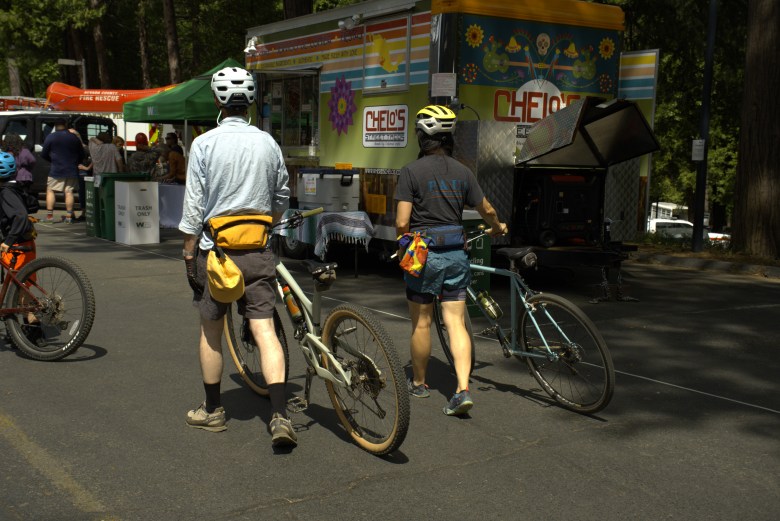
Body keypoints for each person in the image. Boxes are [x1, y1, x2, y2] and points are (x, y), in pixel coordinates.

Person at [178, 66, 293, 447]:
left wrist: (189, 250)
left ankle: (212, 412)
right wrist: (266, 224)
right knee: (265, 330)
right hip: (259, 250)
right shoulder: (268, 143)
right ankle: (279, 416)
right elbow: (281, 197)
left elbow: (195, 205)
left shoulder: (204, 144)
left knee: (211, 331)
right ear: (251, 102)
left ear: (217, 101)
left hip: (217, 255)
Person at [394, 105, 507, 417]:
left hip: (423, 253)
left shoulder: (410, 172)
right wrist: (497, 228)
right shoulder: (463, 172)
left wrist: (404, 247)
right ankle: (461, 389)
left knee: (422, 322)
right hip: (457, 253)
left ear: (421, 136)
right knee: (455, 322)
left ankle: (418, 383)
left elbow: (403, 223)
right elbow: (487, 209)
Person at [0, 152, 43, 344]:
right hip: (26, 242)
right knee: (22, 286)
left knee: (21, 288)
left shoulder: (5, 193)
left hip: (16, 245)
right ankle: (25, 330)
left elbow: (19, 216)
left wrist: (8, 241)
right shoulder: (15, 187)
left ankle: (33, 331)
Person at [40, 118, 84, 224]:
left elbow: (43, 153)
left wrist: (52, 160)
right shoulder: (73, 137)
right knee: (69, 192)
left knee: (50, 190)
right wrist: (75, 162)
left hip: (56, 169)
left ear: (55, 125)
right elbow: (81, 154)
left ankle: (50, 216)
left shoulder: (51, 137)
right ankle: (69, 216)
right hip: (72, 169)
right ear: (66, 124)